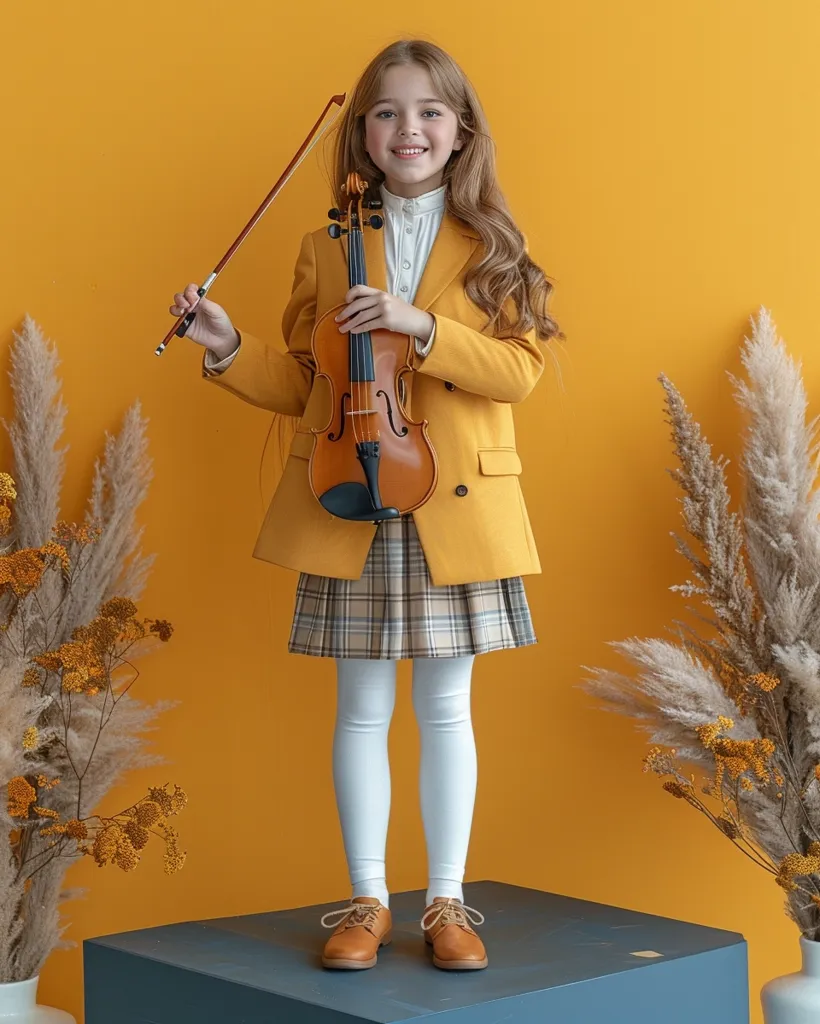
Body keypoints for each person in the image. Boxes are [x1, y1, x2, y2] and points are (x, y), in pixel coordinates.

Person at [170, 38, 561, 972]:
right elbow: (312, 384)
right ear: (361, 135)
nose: (408, 128)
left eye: (429, 111)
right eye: (386, 112)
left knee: (447, 708)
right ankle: (366, 900)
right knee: (358, 708)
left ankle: (448, 903)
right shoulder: (327, 244)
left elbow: (522, 372)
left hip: (455, 504)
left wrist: (421, 325)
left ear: (460, 130)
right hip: (351, 491)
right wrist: (228, 346)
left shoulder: (495, 246)